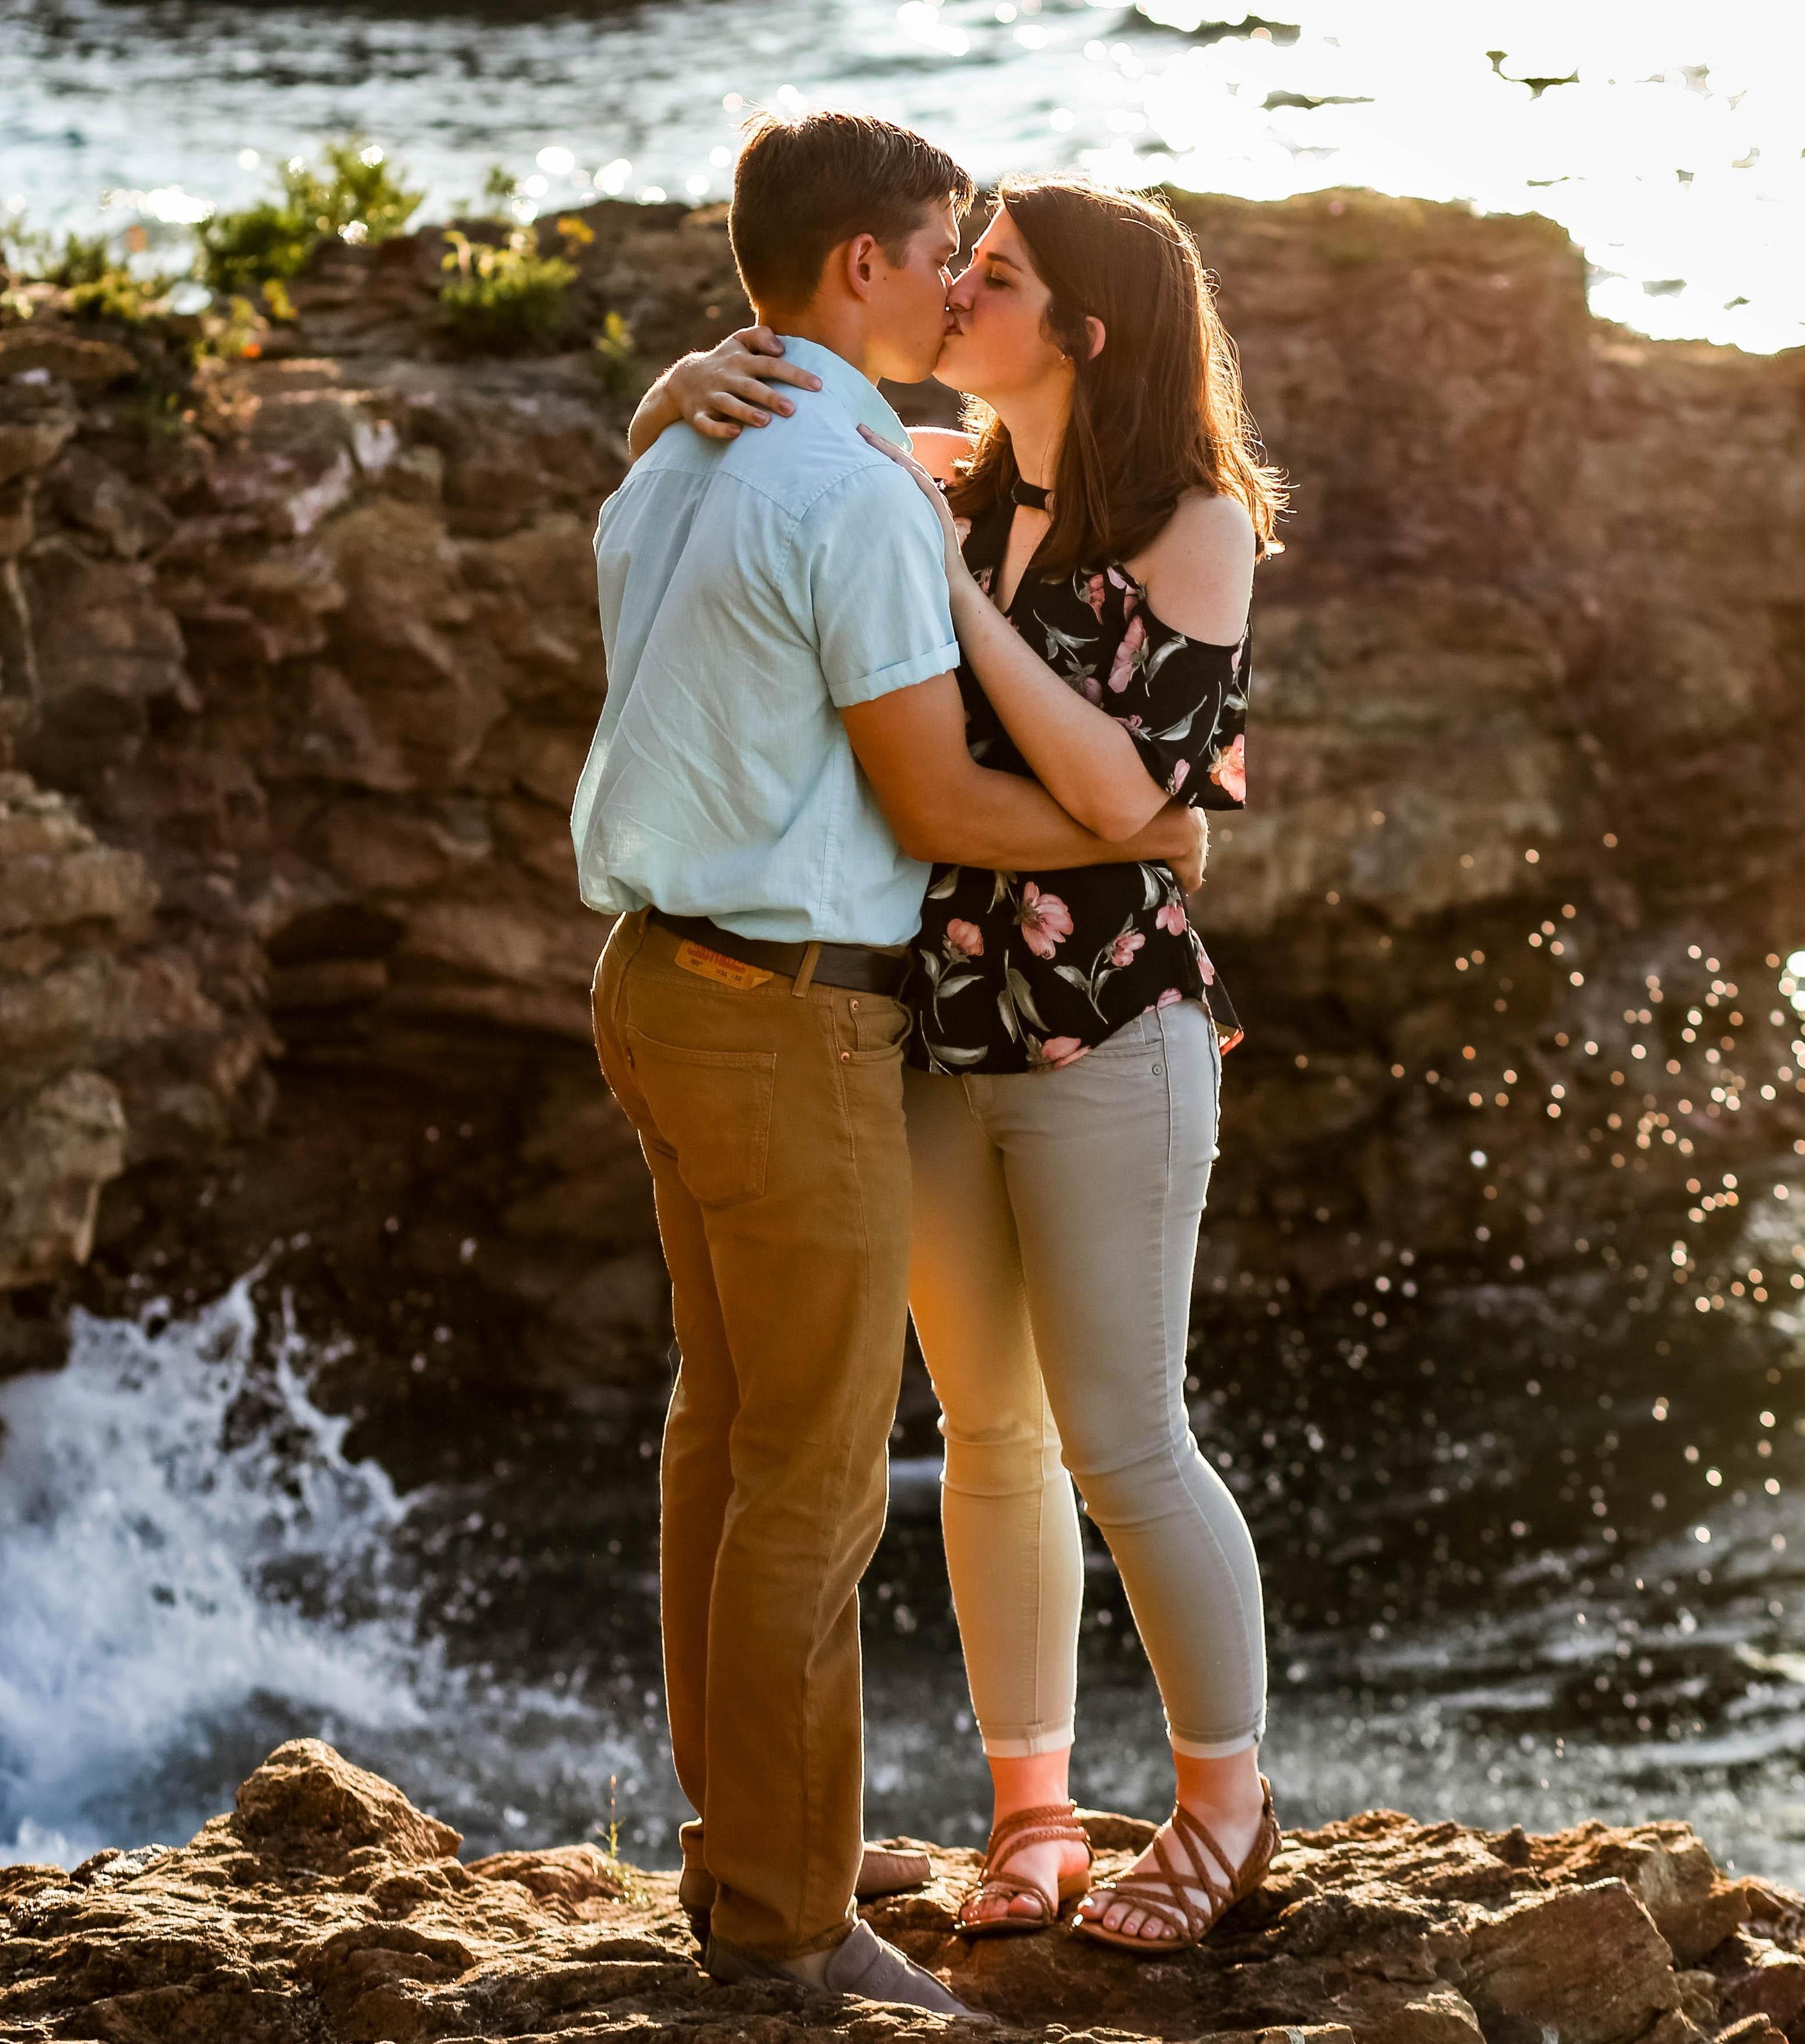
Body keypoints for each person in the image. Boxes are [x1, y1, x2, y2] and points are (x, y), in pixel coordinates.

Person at [575, 115, 1207, 2014]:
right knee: (815, 1477)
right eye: (945, 246)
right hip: (786, 1014)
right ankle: (779, 1921)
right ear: (859, 265)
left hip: (657, 977)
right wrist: (1145, 843)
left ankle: (751, 1828)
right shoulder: (843, 490)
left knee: (721, 1432)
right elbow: (932, 792)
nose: (961, 277)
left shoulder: (692, 446)